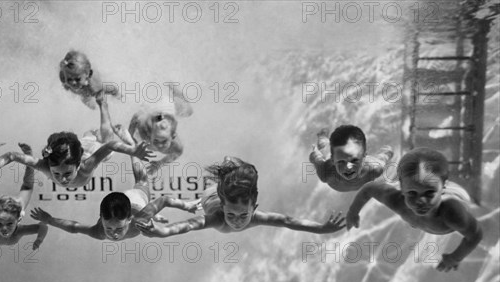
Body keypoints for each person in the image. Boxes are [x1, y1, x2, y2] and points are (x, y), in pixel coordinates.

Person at [346, 147, 483, 272]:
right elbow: (368, 189)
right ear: (401, 187)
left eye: (429, 193)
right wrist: (353, 211)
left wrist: (455, 258)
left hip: (458, 194)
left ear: (443, 187)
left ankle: (444, 181)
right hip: (431, 189)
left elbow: (475, 235)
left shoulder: (452, 213)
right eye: (412, 193)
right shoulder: (397, 201)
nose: (420, 201)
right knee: (420, 179)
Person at [136, 157, 345, 237]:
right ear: (224, 209)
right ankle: (230, 168)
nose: (236, 221)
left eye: (242, 216)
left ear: (254, 208)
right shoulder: (217, 217)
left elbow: (287, 221)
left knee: (238, 173)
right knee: (215, 181)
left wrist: (321, 228)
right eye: (231, 215)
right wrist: (160, 232)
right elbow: (189, 225)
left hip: (223, 192)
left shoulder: (255, 217)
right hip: (210, 193)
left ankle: (232, 166)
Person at [0, 93, 154, 188]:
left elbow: (111, 145)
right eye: (57, 174)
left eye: (66, 174)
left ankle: (103, 105)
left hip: (90, 149)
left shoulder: (86, 167)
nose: (62, 179)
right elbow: (12, 156)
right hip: (79, 146)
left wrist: (133, 151)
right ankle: (93, 130)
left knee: (105, 140)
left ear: (78, 166)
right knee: (88, 136)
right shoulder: (47, 166)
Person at [30, 151, 198, 241]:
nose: (113, 234)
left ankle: (133, 149)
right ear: (101, 219)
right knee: (142, 186)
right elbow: (74, 227)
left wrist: (187, 205)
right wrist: (49, 219)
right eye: (109, 228)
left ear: (129, 221)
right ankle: (155, 214)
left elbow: (165, 199)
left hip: (137, 201)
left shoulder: (139, 222)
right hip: (125, 206)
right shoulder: (100, 231)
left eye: (118, 229)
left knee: (142, 180)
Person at [128, 84, 193, 175]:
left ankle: (173, 87)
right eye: (156, 141)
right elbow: (136, 117)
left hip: (161, 115)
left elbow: (177, 154)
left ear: (173, 137)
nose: (160, 145)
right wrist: (129, 137)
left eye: (164, 141)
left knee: (188, 111)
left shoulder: (176, 146)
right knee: (150, 112)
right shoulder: (144, 132)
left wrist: (159, 163)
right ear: (150, 136)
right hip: (157, 113)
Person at [308, 125, 394, 192]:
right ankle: (322, 135)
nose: (348, 167)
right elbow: (315, 158)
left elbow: (384, 158)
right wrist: (315, 153)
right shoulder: (326, 173)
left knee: (386, 154)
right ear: (333, 160)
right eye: (341, 162)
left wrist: (388, 152)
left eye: (354, 160)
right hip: (331, 161)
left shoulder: (375, 169)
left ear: (365, 156)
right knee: (324, 146)